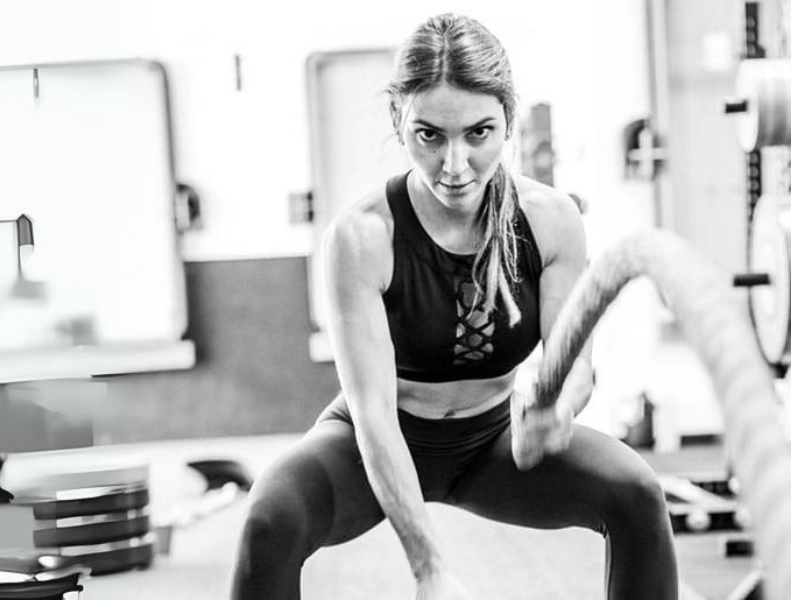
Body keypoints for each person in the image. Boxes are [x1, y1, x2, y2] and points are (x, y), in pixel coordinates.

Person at [230, 13, 678, 600]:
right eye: (430, 135)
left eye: (478, 133)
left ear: (507, 121)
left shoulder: (550, 220)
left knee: (636, 493)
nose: (455, 164)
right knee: (271, 515)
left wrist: (556, 408)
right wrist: (428, 565)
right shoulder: (361, 237)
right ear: (400, 121)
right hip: (381, 439)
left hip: (494, 443)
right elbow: (372, 415)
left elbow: (577, 365)